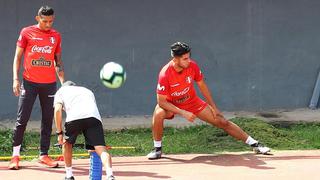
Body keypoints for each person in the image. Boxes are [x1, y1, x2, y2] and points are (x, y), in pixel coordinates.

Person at [147, 42, 270, 159]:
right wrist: (183, 113)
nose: (188, 61)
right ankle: (157, 149)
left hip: (191, 102)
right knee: (158, 114)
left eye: (189, 57)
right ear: (175, 60)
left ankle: (255, 144)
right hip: (171, 104)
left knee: (222, 122)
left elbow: (202, 86)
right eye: (185, 59)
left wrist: (214, 107)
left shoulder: (192, 66)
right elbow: (162, 102)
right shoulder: (165, 74)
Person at [9, 5, 65, 170]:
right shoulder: (26, 32)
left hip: (49, 84)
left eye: (51, 21)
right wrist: (15, 79)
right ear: (37, 18)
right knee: (22, 120)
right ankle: (15, 156)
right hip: (29, 83)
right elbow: (17, 57)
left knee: (47, 120)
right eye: (45, 21)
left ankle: (43, 155)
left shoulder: (56, 36)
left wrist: (63, 84)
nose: (48, 24)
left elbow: (58, 63)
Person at [54, 81, 115, 180]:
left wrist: (59, 133)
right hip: (93, 117)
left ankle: (69, 175)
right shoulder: (87, 91)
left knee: (67, 144)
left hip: (74, 117)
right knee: (101, 148)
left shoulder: (61, 91)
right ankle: (110, 175)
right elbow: (89, 110)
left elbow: (57, 110)